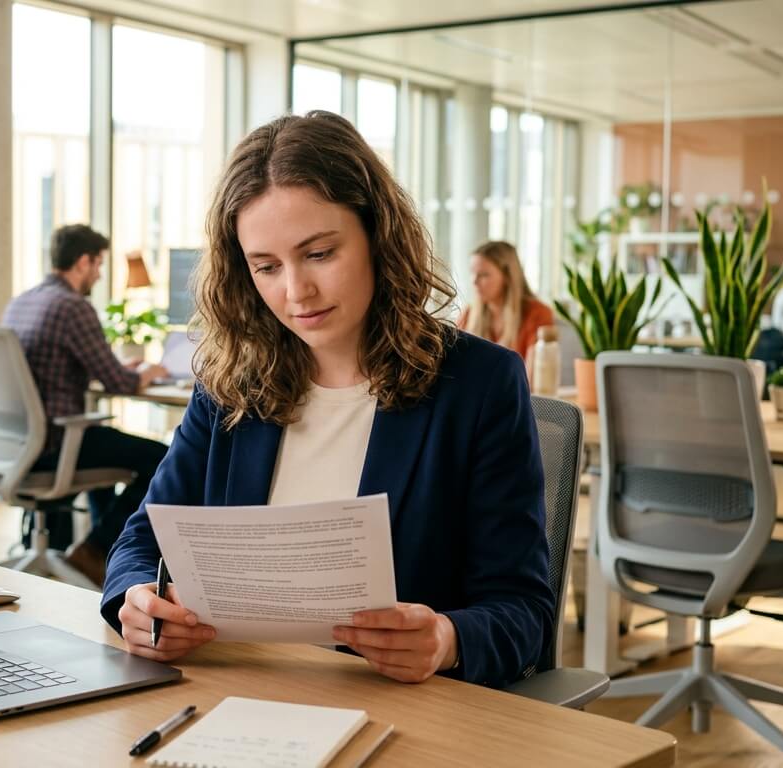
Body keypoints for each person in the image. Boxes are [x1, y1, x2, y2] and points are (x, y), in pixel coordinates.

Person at [101, 112, 553, 688]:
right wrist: (137, 600)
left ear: (377, 237)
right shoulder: (228, 382)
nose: (296, 292)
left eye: (318, 254)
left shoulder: (481, 383)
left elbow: (523, 610)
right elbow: (142, 539)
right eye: (266, 267)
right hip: (237, 695)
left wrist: (446, 638)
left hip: (402, 713)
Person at [2, 224, 172, 586]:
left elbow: (70, 368)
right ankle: (95, 550)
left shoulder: (23, 301)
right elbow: (117, 382)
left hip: (19, 443)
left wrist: (119, 369)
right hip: (57, 443)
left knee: (104, 444)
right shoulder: (72, 306)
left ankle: (101, 551)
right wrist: (147, 371)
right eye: (98, 265)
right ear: (83, 262)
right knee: (162, 460)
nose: (98, 273)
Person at [459, 241, 554, 365]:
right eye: (472, 273)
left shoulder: (537, 313)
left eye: (484, 275)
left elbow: (534, 377)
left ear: (507, 276)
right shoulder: (468, 314)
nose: (474, 281)